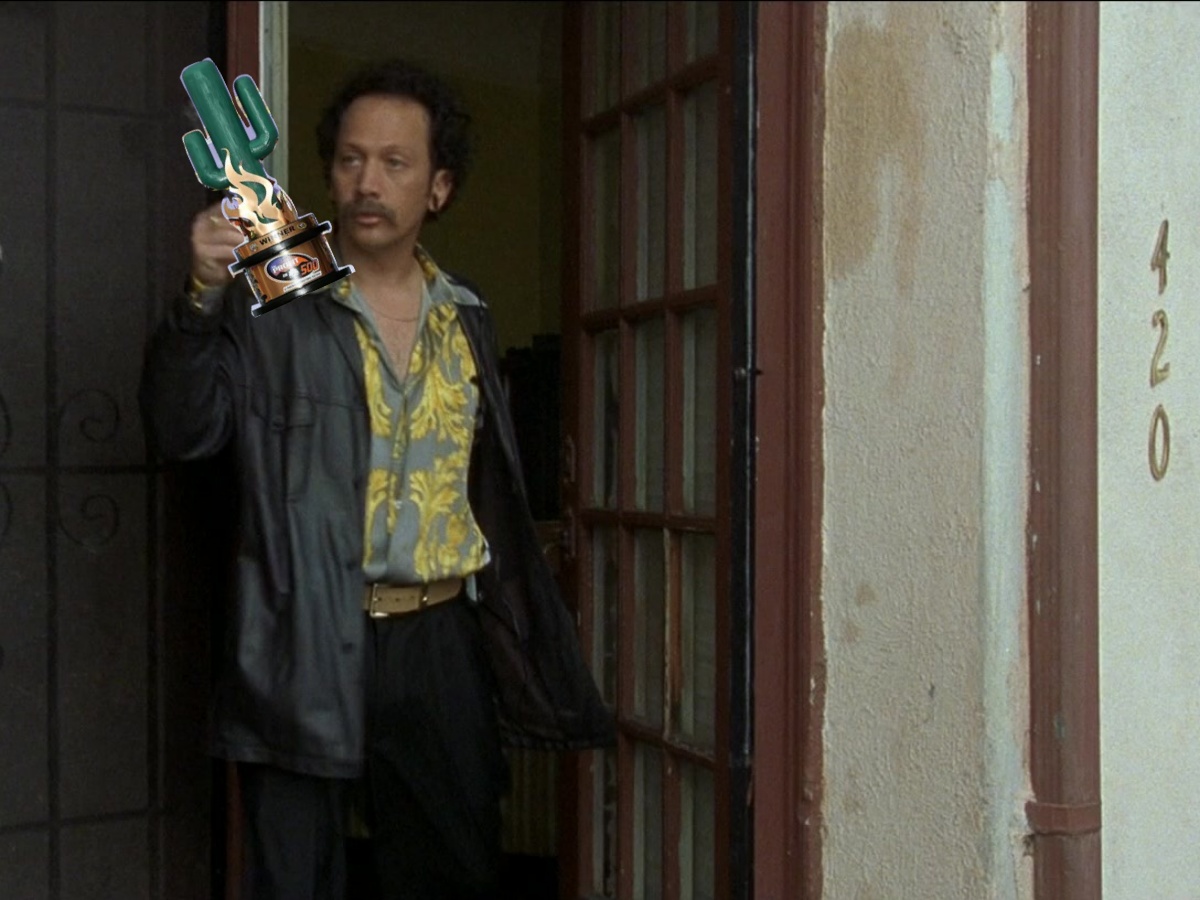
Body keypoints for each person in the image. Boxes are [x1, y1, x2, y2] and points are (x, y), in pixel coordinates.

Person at [140, 58, 614, 900]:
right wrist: (203, 294)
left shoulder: (467, 315)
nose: (368, 182)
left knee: (452, 873)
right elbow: (183, 432)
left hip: (439, 639)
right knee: (297, 879)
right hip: (303, 631)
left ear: (438, 187)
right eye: (352, 159)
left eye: (396, 163)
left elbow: (489, 486)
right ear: (329, 174)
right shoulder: (280, 301)